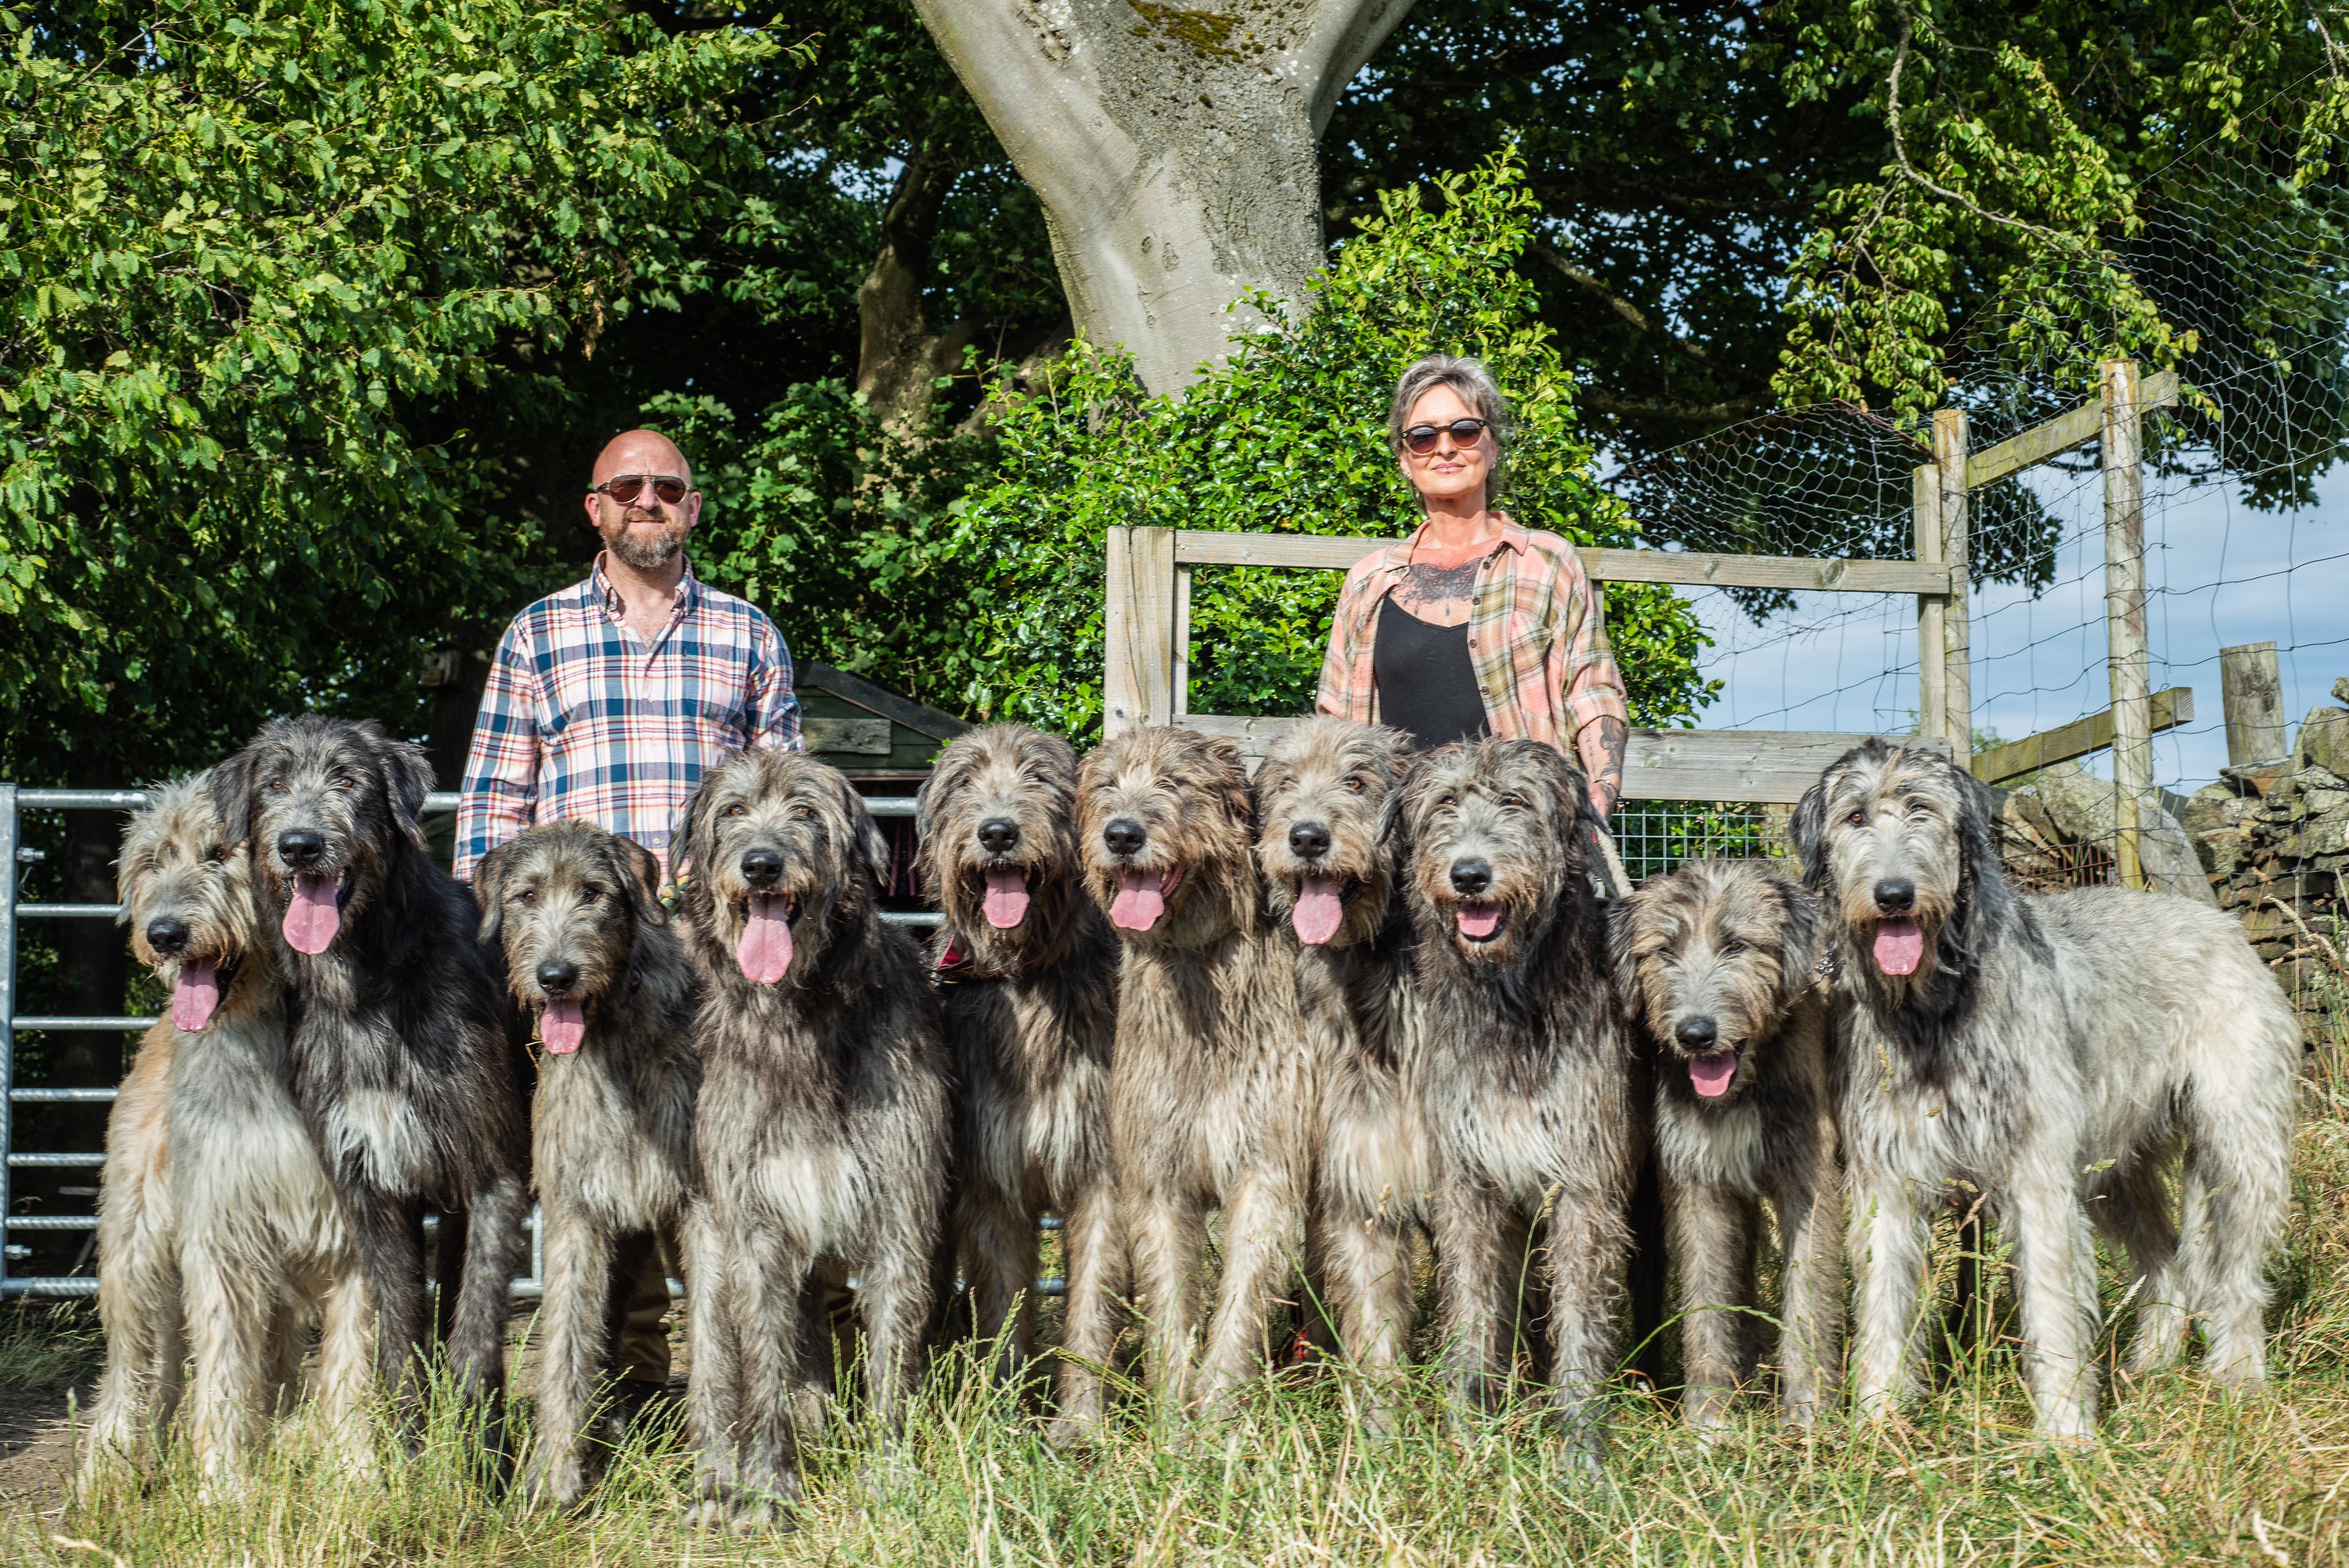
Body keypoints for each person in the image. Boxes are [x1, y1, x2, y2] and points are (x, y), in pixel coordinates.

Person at [454, 427, 801, 1411]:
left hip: (712, 950)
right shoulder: (538, 633)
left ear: (692, 508)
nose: (647, 499)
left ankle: (741, 1394)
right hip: (571, 942)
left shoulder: (748, 633)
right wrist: (516, 937)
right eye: (627, 486)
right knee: (596, 1174)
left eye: (667, 486)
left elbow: (782, 793)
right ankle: (634, 1390)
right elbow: (490, 808)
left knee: (718, 1173)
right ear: (595, 508)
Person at [1315, 354, 1629, 822]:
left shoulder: (1545, 562)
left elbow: (1593, 691)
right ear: (1405, 459)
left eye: (1464, 431)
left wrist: (1602, 791)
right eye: (1423, 437)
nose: (1444, 448)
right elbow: (1335, 722)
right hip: (1398, 839)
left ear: (1493, 446)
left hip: (1516, 832)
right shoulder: (1368, 581)